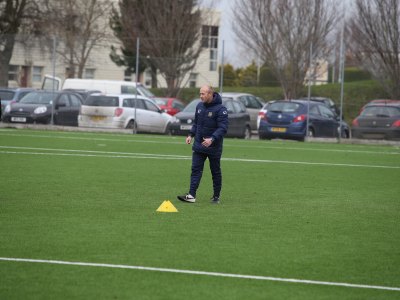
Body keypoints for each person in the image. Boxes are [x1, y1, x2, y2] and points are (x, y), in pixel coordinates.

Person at [177, 85, 228, 204]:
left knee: (215, 171)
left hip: (214, 147)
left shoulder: (221, 109)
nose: (201, 96)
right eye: (200, 94)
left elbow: (223, 128)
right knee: (195, 170)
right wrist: (190, 135)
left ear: (210, 94)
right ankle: (191, 195)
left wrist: (212, 139)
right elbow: (196, 123)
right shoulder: (199, 106)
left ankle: (216, 196)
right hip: (199, 145)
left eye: (203, 94)